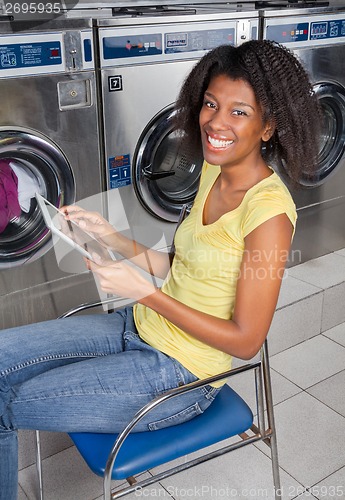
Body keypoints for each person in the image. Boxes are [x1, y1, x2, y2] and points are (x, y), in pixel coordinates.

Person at [0, 40, 320, 499]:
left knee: (3, 405)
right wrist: (110, 236)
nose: (215, 122)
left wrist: (145, 293)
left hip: (183, 375)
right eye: (211, 104)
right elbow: (184, 267)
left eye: (239, 112)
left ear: (269, 126)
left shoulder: (268, 214)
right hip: (139, 326)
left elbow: (247, 340)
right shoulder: (215, 168)